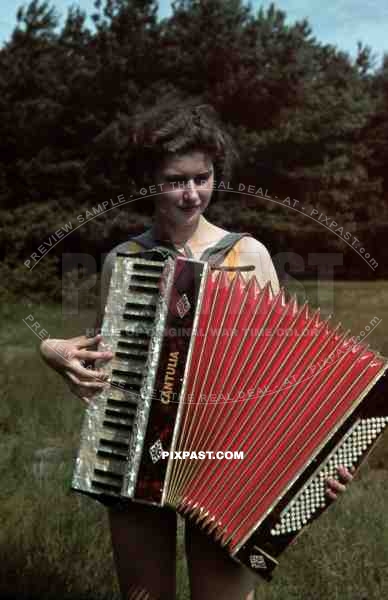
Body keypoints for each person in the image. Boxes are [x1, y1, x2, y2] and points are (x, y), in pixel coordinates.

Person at [40, 95, 353, 600]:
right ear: (150, 182)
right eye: (175, 180)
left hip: (229, 460)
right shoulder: (125, 259)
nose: (190, 194)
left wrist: (316, 466)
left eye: (201, 178)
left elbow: (288, 376)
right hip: (138, 454)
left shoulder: (250, 255)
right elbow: (98, 356)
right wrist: (52, 351)